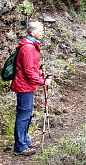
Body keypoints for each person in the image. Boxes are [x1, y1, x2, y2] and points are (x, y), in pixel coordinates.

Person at [11, 20, 53, 156]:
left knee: (27, 114)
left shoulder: (30, 45)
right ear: (33, 32)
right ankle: (20, 146)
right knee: (24, 115)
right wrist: (42, 81)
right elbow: (28, 71)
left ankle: (25, 141)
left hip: (27, 85)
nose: (42, 33)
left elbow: (31, 69)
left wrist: (40, 72)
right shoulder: (28, 47)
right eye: (40, 31)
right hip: (24, 86)